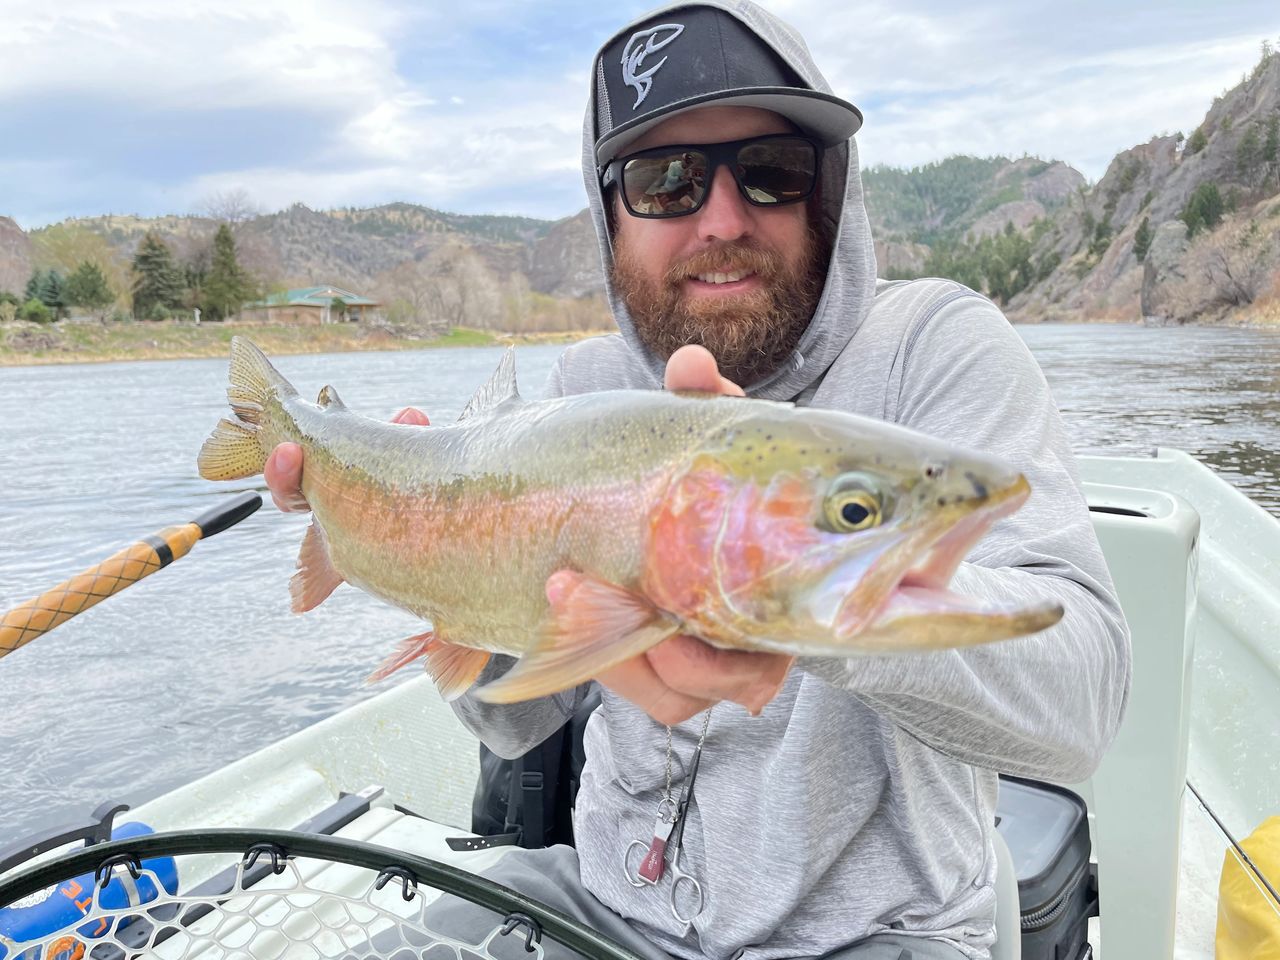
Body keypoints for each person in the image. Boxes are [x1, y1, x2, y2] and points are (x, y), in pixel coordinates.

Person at [263, 3, 1131, 958]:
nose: (723, 219)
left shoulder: (934, 347)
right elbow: (511, 726)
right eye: (665, 180)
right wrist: (422, 543)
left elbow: (1082, 700)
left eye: (772, 170)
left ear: (828, 191)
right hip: (598, 905)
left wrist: (796, 598)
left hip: (881, 934)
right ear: (609, 214)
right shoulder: (580, 391)